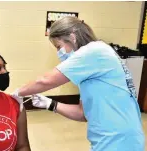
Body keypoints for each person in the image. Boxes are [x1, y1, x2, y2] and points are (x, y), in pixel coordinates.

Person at [11, 16, 145, 151]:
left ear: (72, 37)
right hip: (110, 139)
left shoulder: (93, 51)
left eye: (59, 46)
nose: (59, 53)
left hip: (119, 140)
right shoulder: (88, 67)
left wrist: (16, 93)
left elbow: (46, 81)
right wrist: (50, 104)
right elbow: (83, 113)